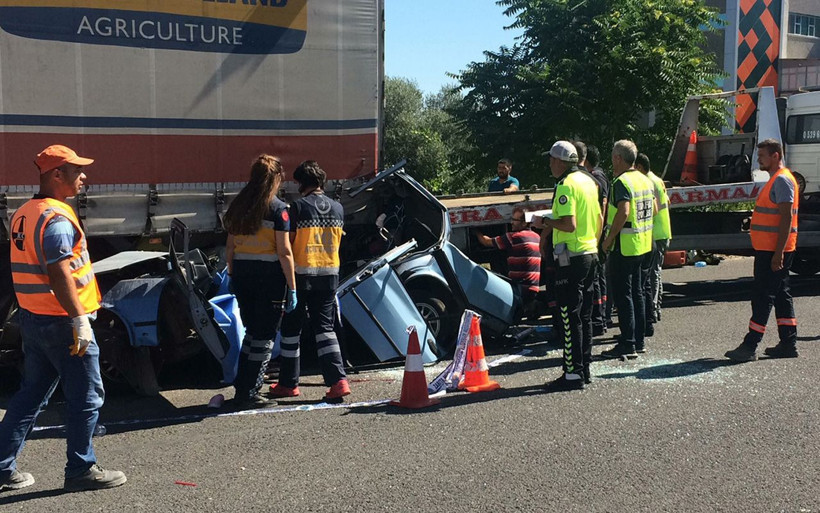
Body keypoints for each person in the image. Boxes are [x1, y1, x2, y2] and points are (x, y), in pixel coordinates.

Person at [1, 145, 127, 493]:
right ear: (56, 174)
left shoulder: (25, 212)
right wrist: (80, 320)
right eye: (76, 171)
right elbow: (58, 272)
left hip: (34, 318)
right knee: (86, 395)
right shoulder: (56, 219)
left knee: (32, 394)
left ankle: (1, 468)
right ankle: (81, 469)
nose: (83, 176)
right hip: (62, 322)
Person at [270, 161, 351, 401]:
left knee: (291, 330)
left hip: (301, 276)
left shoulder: (297, 208)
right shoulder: (338, 208)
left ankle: (288, 384)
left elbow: (288, 243)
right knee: (325, 329)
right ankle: (338, 381)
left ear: (301, 183)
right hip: (329, 275)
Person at [223, 154, 297, 409]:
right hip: (269, 278)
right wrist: (293, 287)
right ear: (275, 179)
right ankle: (251, 392)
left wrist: (232, 275)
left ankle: (242, 387)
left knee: (251, 333)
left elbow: (230, 247)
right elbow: (284, 251)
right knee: (264, 337)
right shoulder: (279, 209)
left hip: (243, 276)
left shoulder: (238, 207)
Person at [725, 139, 800, 362]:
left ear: (776, 156)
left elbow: (786, 218)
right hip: (773, 249)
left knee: (762, 296)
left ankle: (750, 346)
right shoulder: (778, 179)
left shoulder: (782, 180)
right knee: (780, 294)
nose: (759, 159)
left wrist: (778, 254)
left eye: (763, 156)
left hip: (774, 250)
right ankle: (788, 343)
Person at [537, 141, 601, 390]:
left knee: (568, 316)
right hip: (589, 252)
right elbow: (596, 217)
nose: (550, 164)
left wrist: (545, 222)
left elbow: (568, 224)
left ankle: (571, 374)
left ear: (560, 162)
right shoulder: (588, 181)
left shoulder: (566, 185)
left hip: (571, 257)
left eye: (551, 159)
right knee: (584, 316)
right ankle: (584, 369)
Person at [600, 140, 656, 358]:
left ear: (618, 158)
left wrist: (608, 240)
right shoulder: (644, 179)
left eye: (613, 156)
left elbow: (623, 212)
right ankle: (638, 341)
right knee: (638, 293)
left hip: (625, 246)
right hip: (644, 243)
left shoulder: (621, 182)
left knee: (624, 296)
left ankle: (628, 343)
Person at [474, 207, 541, 314]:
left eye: (515, 220)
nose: (511, 223)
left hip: (519, 289)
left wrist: (476, 230)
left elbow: (485, 242)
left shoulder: (513, 237)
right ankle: (530, 306)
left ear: (524, 223)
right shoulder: (537, 237)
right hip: (533, 288)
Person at [636, 153, 672, 339]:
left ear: (641, 167)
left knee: (652, 274)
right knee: (655, 272)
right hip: (661, 231)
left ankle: (654, 309)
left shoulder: (648, 182)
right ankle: (656, 307)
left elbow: (655, 208)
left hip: (655, 232)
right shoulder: (656, 179)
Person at [576, 142, 610, 337]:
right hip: (598, 233)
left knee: (597, 280)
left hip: (597, 235)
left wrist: (598, 236)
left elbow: (602, 206)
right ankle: (601, 318)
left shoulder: (595, 178)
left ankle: (599, 319)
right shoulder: (599, 176)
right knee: (598, 279)